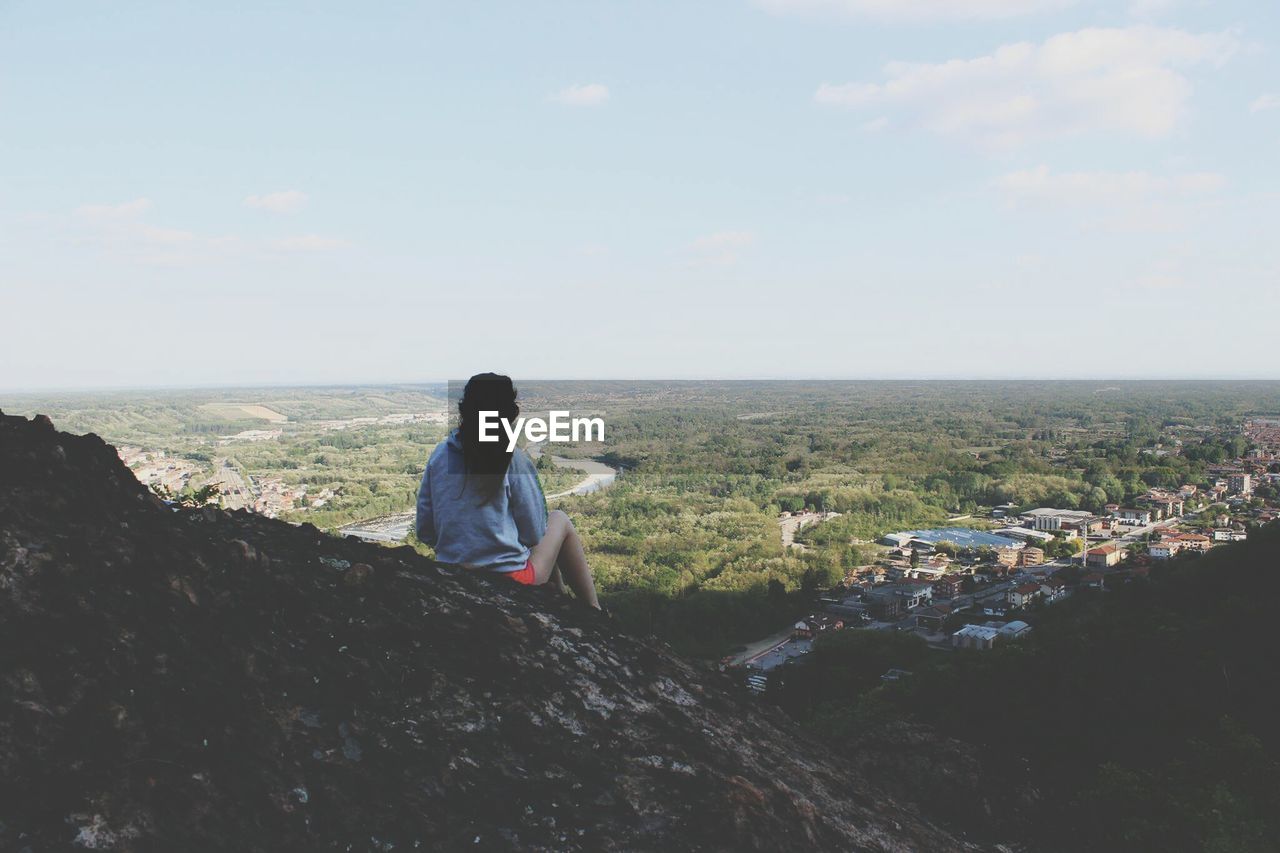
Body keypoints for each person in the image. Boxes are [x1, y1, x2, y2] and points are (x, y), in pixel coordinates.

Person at [415, 373, 600, 609]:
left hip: (453, 573)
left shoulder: (440, 455)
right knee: (559, 520)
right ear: (509, 414)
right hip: (510, 580)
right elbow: (535, 534)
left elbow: (425, 531)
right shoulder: (512, 459)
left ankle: (560, 600)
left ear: (464, 411)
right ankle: (594, 610)